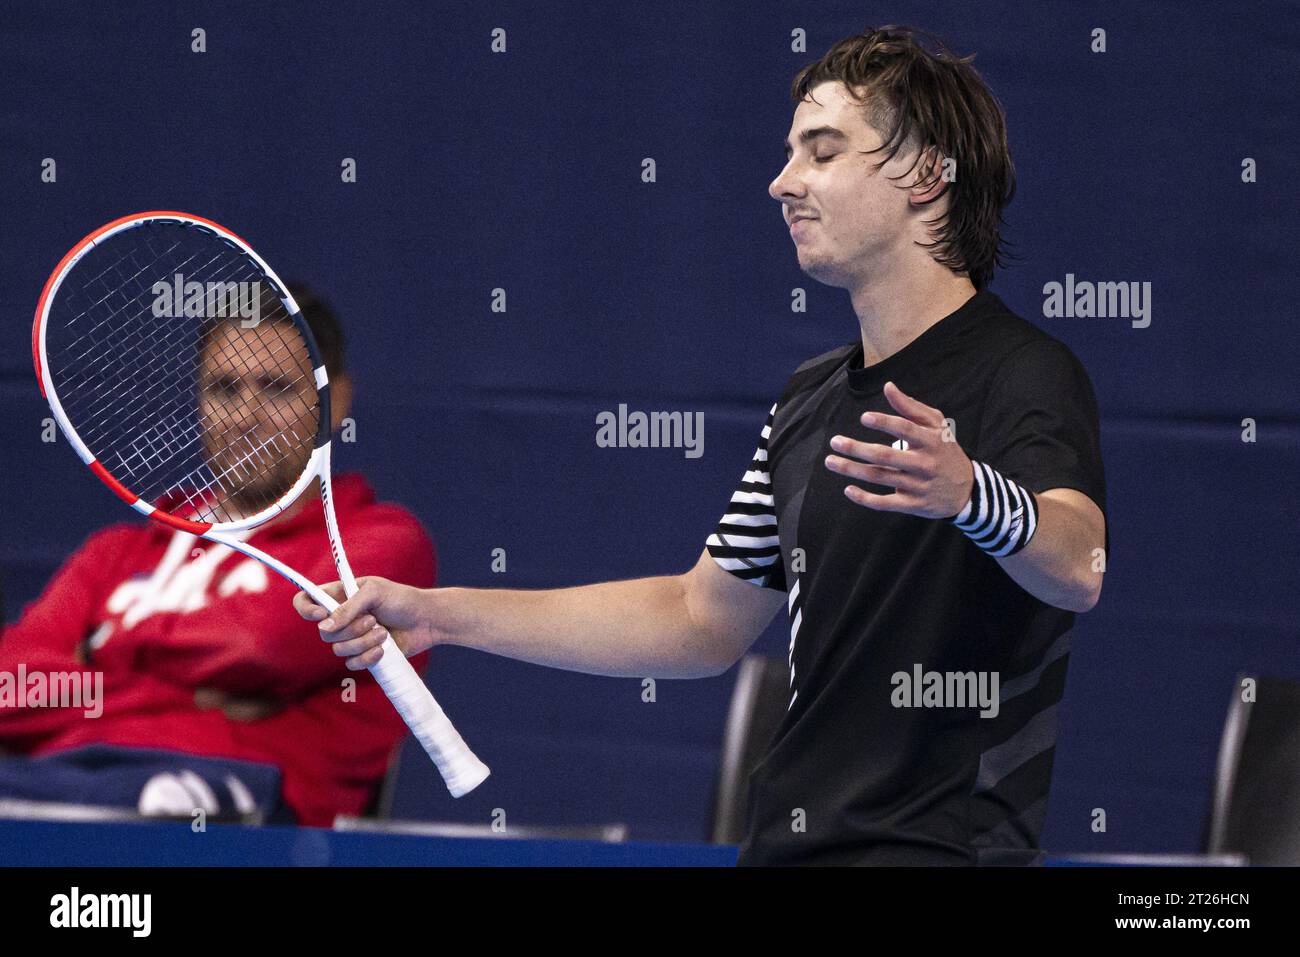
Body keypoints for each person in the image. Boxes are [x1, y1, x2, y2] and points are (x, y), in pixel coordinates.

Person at [297, 25, 1107, 864]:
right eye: (791, 153)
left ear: (927, 175)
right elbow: (698, 617)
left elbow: (1081, 564)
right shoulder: (809, 399)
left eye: (821, 153)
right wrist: (437, 613)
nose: (782, 182)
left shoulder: (1027, 372)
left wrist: (973, 495)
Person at [0, 284, 435, 825]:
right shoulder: (115, 552)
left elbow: (262, 647)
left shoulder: (379, 543)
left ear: (335, 403)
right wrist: (186, 695)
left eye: (275, 388)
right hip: (62, 789)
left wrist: (103, 654)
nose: (244, 416)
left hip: (250, 831)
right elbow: (10, 685)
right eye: (225, 389)